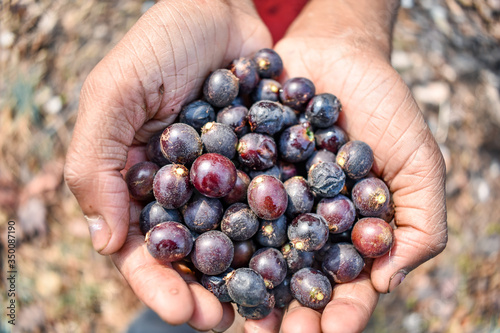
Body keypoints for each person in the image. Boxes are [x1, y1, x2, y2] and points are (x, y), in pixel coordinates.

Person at [64, 0, 448, 332]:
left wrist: (352, 24)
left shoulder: (294, 162)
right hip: (220, 34)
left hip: (311, 32)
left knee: (192, 308)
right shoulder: (208, 151)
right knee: (182, 304)